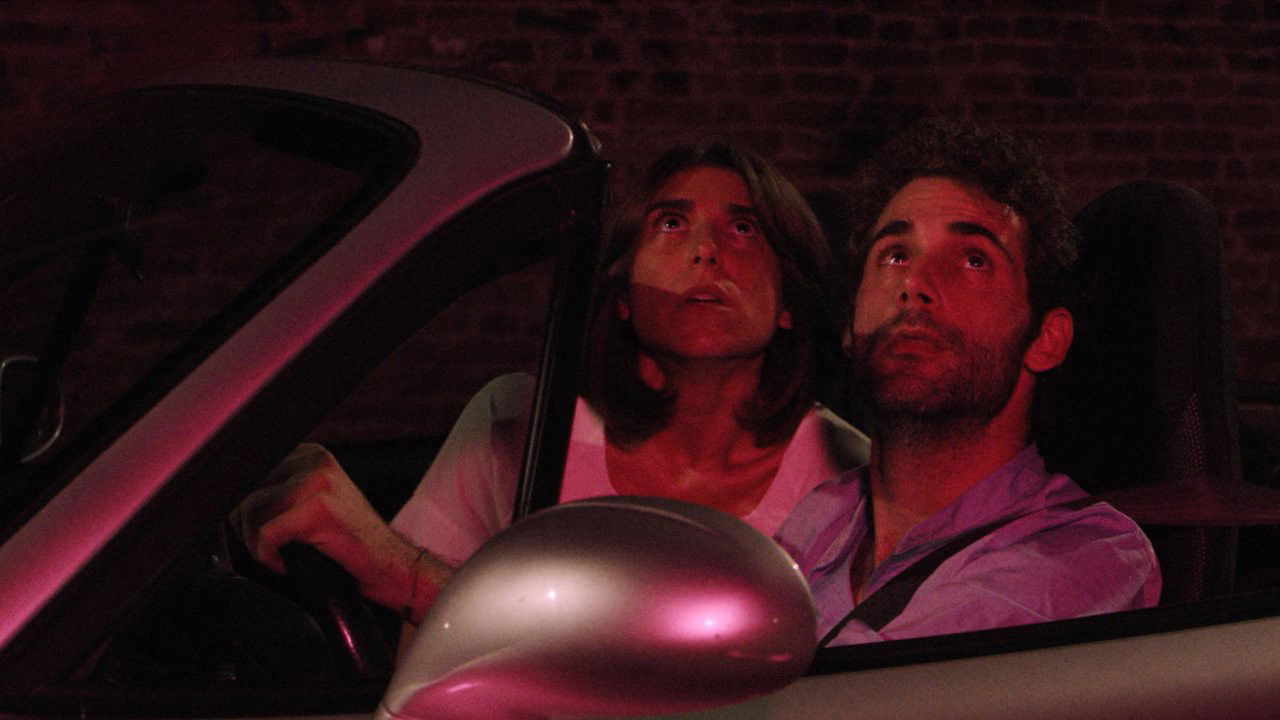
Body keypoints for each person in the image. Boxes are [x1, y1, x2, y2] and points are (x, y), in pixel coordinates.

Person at [234, 142, 869, 627]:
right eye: (670, 224)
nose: (706, 251)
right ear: (622, 294)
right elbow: (426, 677)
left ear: (788, 303)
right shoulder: (520, 424)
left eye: (743, 228)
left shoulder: (850, 480)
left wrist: (399, 569)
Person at [774, 119, 1161, 646]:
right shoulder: (824, 513)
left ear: (1045, 339)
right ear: (849, 326)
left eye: (973, 260)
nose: (914, 284)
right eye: (895, 255)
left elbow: (886, 683)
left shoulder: (1086, 553)